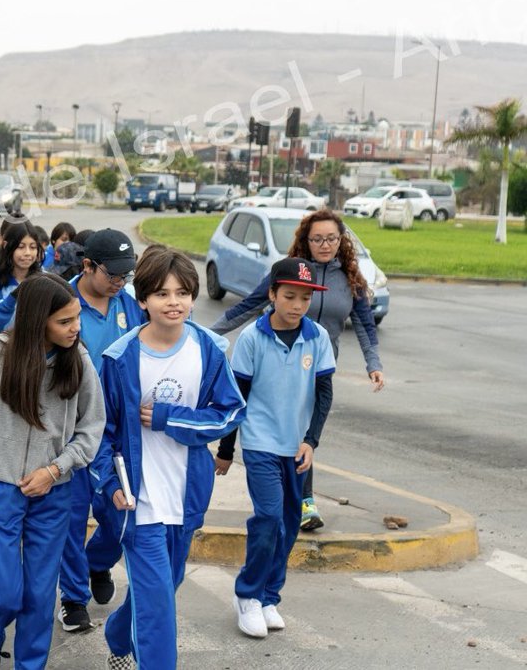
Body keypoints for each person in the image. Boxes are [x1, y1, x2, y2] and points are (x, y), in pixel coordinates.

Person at [93, 246, 246, 670]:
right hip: (137, 498)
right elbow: (99, 432)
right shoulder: (120, 358)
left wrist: (170, 418)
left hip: (187, 493)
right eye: (161, 294)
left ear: (193, 297)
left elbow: (230, 413)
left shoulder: (209, 349)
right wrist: (109, 483)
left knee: (165, 585)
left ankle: (118, 634)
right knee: (159, 603)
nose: (173, 302)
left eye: (182, 293)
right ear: (142, 300)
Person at [0, 273, 104, 670]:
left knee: (38, 596)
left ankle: (29, 665)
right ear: (39, 320)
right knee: (4, 594)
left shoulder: (79, 359)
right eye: (65, 321)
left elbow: (91, 430)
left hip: (54, 494)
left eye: (76, 319)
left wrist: (55, 470)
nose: (75, 328)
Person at [210, 209, 384, 531]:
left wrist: (373, 364)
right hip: (277, 360)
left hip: (318, 364)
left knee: (305, 432)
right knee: (286, 430)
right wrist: (207, 334)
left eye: (332, 238)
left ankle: (306, 501)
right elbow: (248, 305)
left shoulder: (349, 275)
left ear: (340, 240)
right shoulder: (291, 272)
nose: (325, 244)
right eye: (317, 238)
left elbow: (363, 321)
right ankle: (295, 499)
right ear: (306, 239)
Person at [220, 257, 336, 639]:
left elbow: (323, 393)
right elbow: (239, 397)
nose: (297, 305)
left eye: (305, 298)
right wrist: (226, 451)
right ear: (272, 294)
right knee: (268, 516)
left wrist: (311, 441)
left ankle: (270, 596)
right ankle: (248, 595)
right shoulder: (252, 338)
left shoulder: (316, 336)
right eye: (289, 296)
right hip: (260, 443)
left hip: (296, 445)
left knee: (289, 523)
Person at [57, 229, 148, 633]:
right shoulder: (62, 304)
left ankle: (97, 562)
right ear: (88, 266)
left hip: (117, 433)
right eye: (113, 274)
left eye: (127, 275)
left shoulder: (129, 306)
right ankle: (73, 598)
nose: (120, 282)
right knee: (72, 518)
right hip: (71, 430)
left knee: (119, 515)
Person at [0, 223, 42, 334]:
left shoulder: (45, 279)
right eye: (21, 247)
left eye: (33, 247)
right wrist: (12, 298)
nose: (28, 253)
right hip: (4, 347)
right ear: (6, 246)